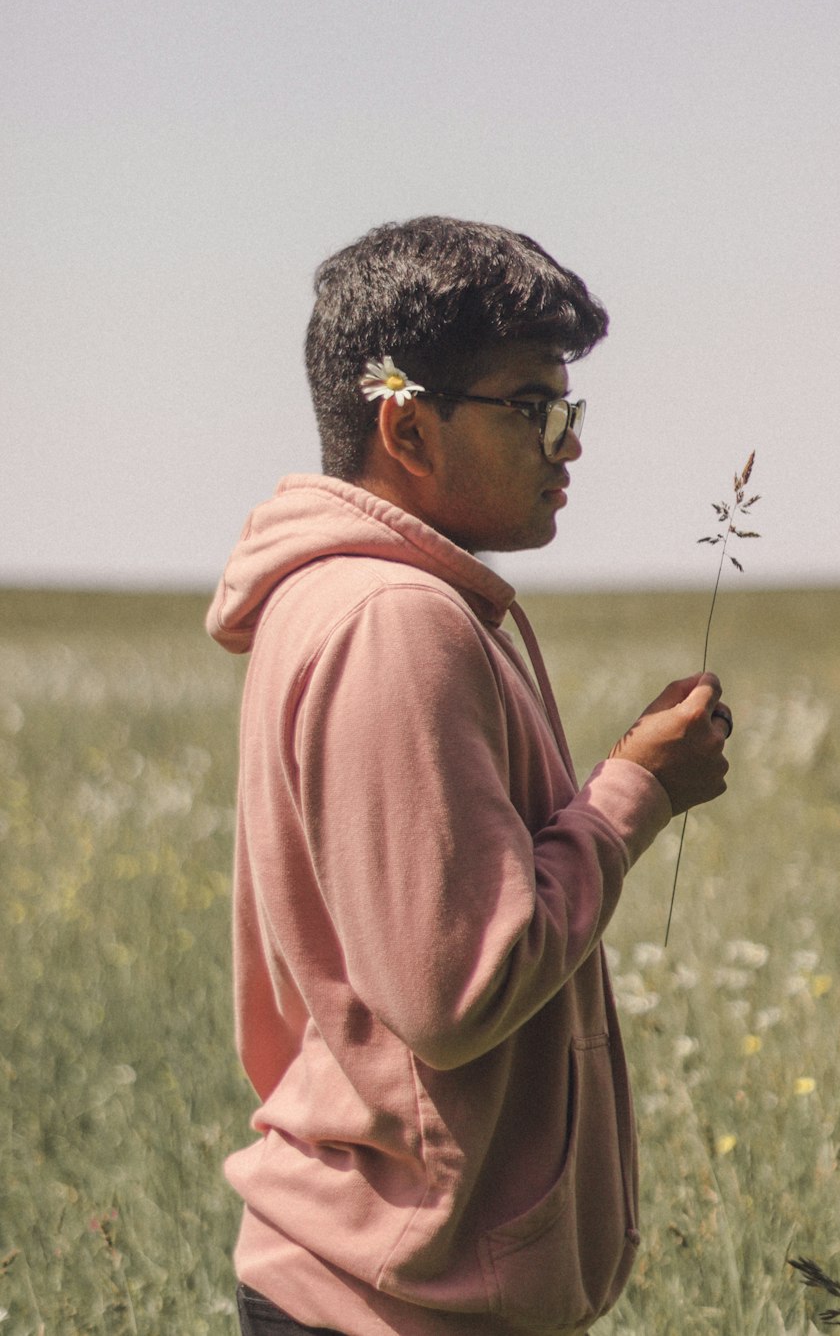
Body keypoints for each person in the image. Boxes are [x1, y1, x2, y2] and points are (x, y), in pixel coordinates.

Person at [207, 216, 732, 1336]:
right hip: (391, 1298)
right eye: (530, 406)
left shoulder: (352, 599)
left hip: (384, 1271)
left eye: (567, 407)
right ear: (406, 424)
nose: (567, 444)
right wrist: (631, 795)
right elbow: (457, 993)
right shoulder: (395, 619)